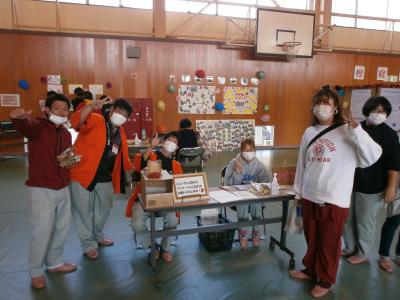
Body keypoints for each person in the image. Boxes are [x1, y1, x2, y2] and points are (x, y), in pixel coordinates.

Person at [290, 87, 382, 298]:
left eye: (327, 103)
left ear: (336, 108)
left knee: (329, 243)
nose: (322, 106)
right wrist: (298, 194)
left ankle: (326, 279)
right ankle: (310, 269)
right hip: (310, 196)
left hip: (333, 199)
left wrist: (357, 131)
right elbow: (302, 164)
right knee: (312, 238)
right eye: (318, 102)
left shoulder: (347, 130)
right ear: (313, 107)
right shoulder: (309, 132)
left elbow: (373, 155)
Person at [10, 93, 77, 289]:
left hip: (63, 186)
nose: (62, 112)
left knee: (63, 226)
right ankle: (36, 272)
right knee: (42, 230)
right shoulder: (38, 127)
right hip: (41, 188)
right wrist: (18, 118)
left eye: (65, 109)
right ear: (47, 110)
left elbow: (65, 159)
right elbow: (25, 126)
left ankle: (55, 262)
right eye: (57, 108)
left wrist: (72, 160)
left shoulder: (65, 133)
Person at [69, 98, 134, 260]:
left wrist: (135, 170)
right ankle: (88, 244)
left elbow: (124, 157)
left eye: (125, 115)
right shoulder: (97, 119)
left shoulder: (120, 132)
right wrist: (90, 107)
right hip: (83, 173)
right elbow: (77, 121)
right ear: (111, 110)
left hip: (105, 177)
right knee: (83, 211)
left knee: (104, 209)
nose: (121, 116)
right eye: (119, 111)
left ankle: (97, 235)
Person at [343, 96, 400, 268]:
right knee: (348, 219)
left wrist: (391, 187)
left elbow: (393, 164)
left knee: (365, 221)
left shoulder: (389, 135)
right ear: (367, 110)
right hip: (350, 182)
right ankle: (350, 247)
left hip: (373, 186)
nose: (378, 114)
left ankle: (363, 252)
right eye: (375, 110)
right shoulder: (356, 127)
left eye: (382, 112)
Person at [127, 131, 183, 263]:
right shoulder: (152, 155)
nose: (172, 143)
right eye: (170, 140)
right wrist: (151, 146)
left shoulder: (176, 165)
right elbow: (138, 165)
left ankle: (165, 248)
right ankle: (151, 246)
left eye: (175, 142)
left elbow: (179, 185)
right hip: (144, 199)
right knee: (136, 223)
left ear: (177, 147)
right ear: (163, 142)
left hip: (165, 200)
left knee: (172, 220)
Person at [223, 138, 269, 250]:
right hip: (238, 197)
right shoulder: (234, 163)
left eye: (252, 149)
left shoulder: (259, 165)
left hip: (254, 195)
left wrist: (260, 187)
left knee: (256, 204)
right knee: (243, 205)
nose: (249, 152)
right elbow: (227, 184)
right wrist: (237, 173)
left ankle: (256, 234)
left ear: (255, 150)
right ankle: (243, 235)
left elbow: (266, 184)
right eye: (246, 150)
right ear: (241, 151)